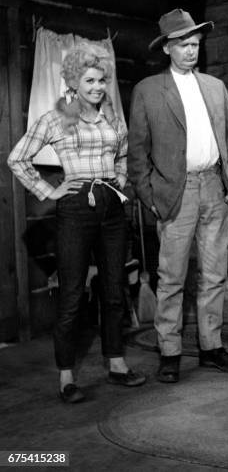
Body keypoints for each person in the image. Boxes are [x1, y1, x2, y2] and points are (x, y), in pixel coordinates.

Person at [8, 42, 146, 403]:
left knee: (114, 290)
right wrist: (48, 191)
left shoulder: (112, 115)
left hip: (112, 208)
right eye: (89, 80)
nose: (98, 87)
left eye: (101, 80)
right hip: (74, 208)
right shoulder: (56, 118)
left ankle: (116, 363)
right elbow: (17, 159)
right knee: (71, 294)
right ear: (73, 82)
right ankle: (67, 376)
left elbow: (125, 152)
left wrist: (120, 178)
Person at [128, 8, 228, 384]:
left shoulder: (214, 87)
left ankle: (211, 347)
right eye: (183, 45)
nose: (191, 51)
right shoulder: (148, 90)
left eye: (195, 44)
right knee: (172, 277)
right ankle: (170, 351)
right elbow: (137, 152)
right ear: (167, 49)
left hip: (214, 187)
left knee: (213, 275)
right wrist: (150, 197)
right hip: (174, 193)